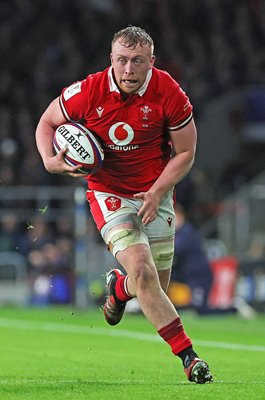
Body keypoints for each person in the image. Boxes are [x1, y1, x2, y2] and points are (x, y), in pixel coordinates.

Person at [35, 25, 213, 384]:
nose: (128, 69)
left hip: (155, 192)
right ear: (111, 60)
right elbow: (47, 122)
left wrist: (159, 191)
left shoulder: (170, 93)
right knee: (144, 274)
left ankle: (119, 288)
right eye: (121, 60)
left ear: (151, 61)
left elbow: (187, 152)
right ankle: (189, 358)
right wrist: (48, 159)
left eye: (136, 61)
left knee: (152, 287)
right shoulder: (88, 90)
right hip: (109, 193)